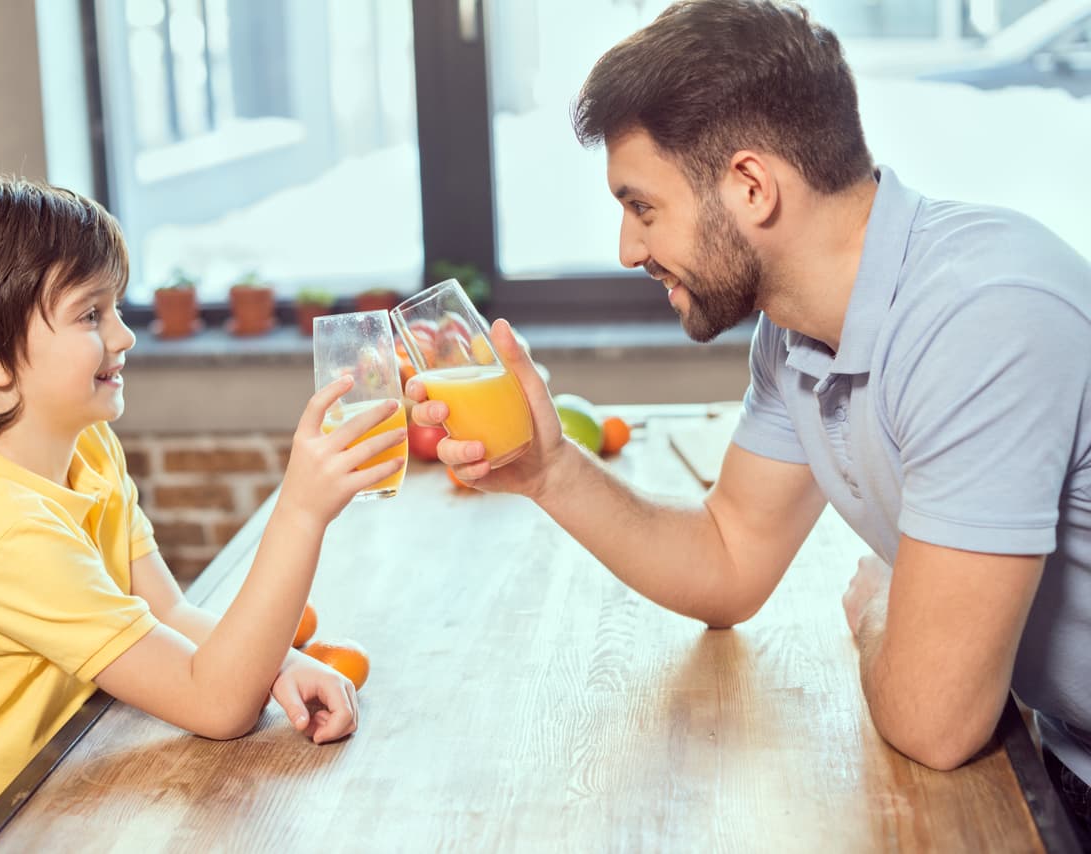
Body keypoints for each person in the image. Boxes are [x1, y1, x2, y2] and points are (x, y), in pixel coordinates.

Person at [409, 0, 1091, 842]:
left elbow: (936, 721)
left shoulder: (981, 317)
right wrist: (551, 472)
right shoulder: (797, 329)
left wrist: (883, 611)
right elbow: (730, 559)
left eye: (643, 207)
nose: (628, 249)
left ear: (751, 186)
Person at [0, 176, 407, 852]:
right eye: (90, 314)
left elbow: (168, 614)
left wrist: (281, 663)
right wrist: (300, 511)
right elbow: (216, 705)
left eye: (115, 307)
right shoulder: (3, 530)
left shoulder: (89, 449)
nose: (124, 335)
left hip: (59, 807)